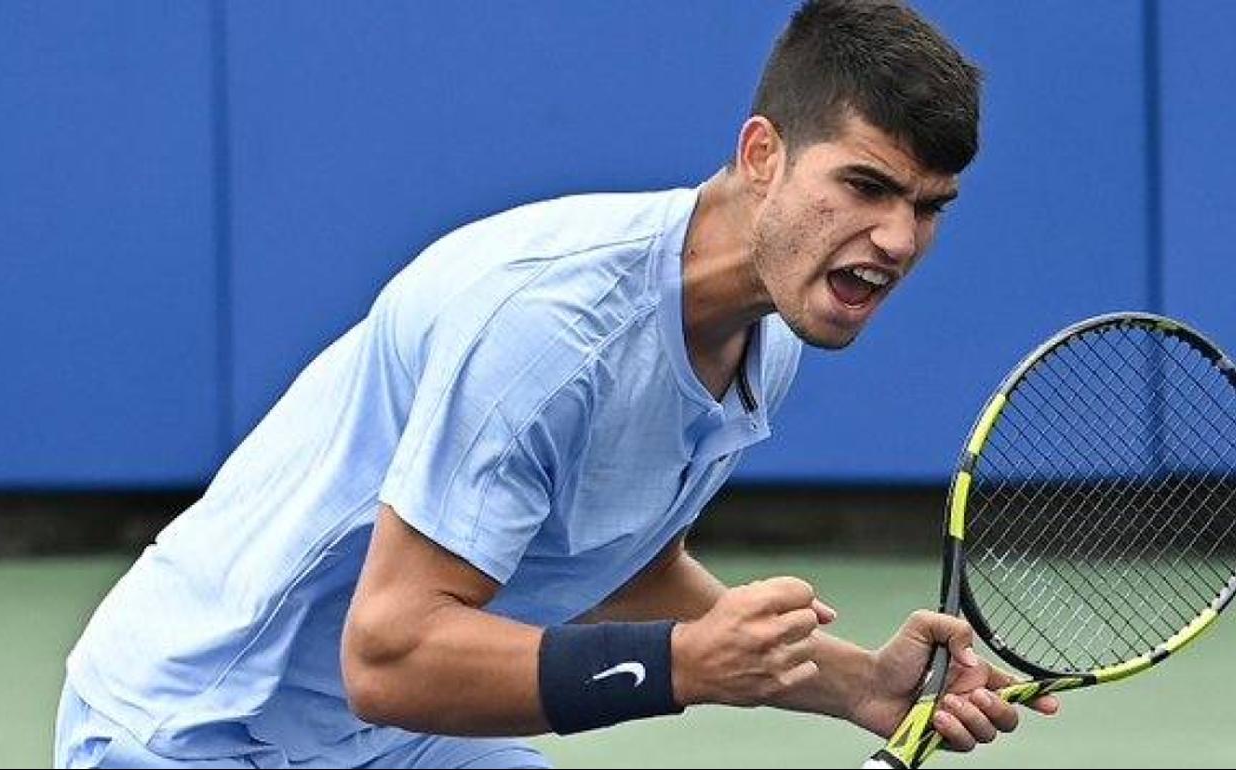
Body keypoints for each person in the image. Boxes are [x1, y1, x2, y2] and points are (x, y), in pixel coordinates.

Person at [55, 1, 1060, 767]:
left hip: (385, 737)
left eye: (930, 207)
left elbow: (611, 558)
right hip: (196, 722)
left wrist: (858, 684)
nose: (898, 240)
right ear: (763, 156)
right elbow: (390, 654)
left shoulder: (769, 327)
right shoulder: (548, 336)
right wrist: (681, 665)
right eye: (867, 187)